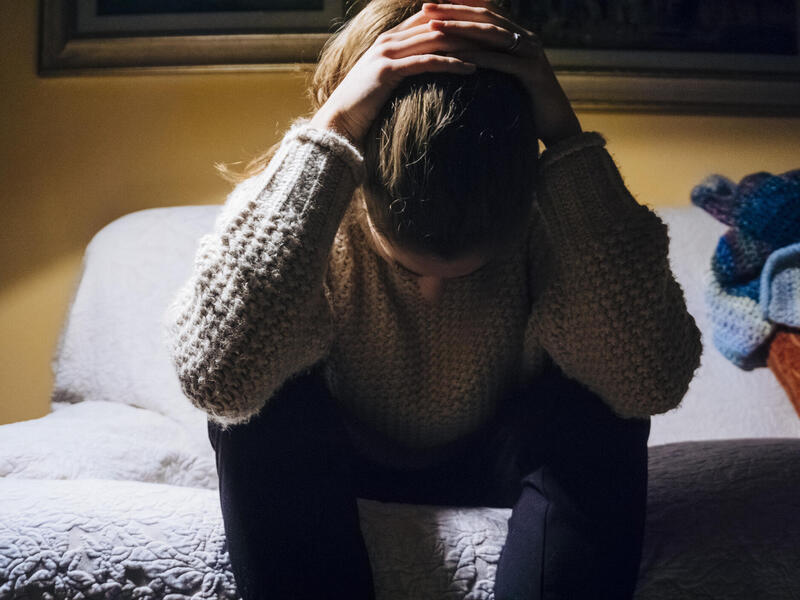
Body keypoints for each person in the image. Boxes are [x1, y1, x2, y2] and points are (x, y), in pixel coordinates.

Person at [161, 1, 703, 598]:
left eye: (473, 268)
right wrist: (332, 126)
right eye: (406, 263)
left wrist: (566, 140)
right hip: (337, 458)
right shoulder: (310, 205)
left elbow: (651, 384)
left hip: (498, 456)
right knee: (259, 399)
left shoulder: (550, 219)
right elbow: (218, 384)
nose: (431, 294)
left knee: (604, 400)